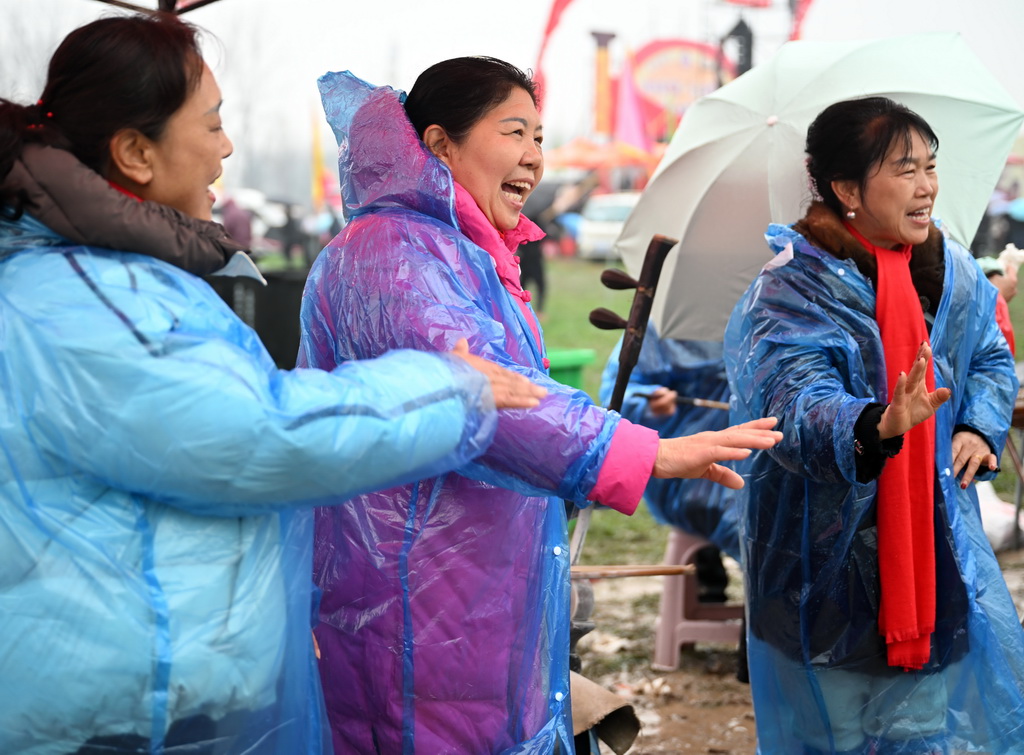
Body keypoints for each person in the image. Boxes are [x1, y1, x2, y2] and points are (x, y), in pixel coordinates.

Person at [0, 16, 553, 755]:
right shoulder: (88, 298)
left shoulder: (120, 278)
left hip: (138, 696)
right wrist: (448, 389)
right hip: (104, 715)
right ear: (135, 152)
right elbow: (260, 435)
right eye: (211, 123)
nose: (226, 147)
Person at [299, 58, 782, 754]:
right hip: (414, 596)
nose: (533, 156)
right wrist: (644, 450)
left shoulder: (459, 251)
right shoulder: (393, 254)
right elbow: (492, 399)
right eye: (513, 131)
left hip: (468, 583)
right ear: (440, 144)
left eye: (539, 137)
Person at [725, 96, 1024, 753]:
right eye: (905, 169)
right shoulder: (793, 288)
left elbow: (989, 356)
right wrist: (876, 424)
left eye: (930, 166)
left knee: (922, 730)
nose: (927, 186)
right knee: (831, 734)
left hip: (932, 548)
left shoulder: (950, 273)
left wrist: (978, 424)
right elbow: (791, 401)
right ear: (846, 189)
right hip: (822, 560)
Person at [599, 326, 736, 603]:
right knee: (722, 512)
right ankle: (711, 576)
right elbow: (620, 391)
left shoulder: (766, 323)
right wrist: (651, 401)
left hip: (751, 461)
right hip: (683, 472)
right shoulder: (661, 329)